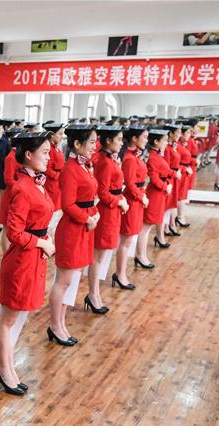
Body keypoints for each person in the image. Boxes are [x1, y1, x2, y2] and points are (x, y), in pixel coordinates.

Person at [0, 131, 55, 394]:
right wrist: (42, 243)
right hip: (21, 260)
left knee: (17, 317)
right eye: (44, 152)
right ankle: (5, 370)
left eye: (49, 152)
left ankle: (8, 367)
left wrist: (45, 237)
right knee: (8, 319)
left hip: (34, 257)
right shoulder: (21, 187)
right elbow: (13, 232)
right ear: (28, 155)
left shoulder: (37, 184)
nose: (48, 157)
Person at [48, 124, 98, 346]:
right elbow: (67, 204)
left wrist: (93, 215)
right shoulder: (70, 169)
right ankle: (55, 325)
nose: (94, 147)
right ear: (77, 144)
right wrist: (88, 219)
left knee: (73, 280)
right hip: (72, 229)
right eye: (91, 142)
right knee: (63, 280)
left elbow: (88, 197)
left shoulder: (86, 166)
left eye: (95, 142)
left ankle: (62, 322)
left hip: (84, 226)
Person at [88, 125, 128, 313]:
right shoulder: (104, 162)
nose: (121, 143)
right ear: (108, 141)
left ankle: (95, 293)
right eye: (119, 139)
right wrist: (119, 201)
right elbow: (102, 193)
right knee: (98, 257)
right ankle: (93, 294)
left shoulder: (110, 160)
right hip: (106, 212)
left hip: (112, 211)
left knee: (102, 256)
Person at [114, 123, 149, 290]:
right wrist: (141, 196)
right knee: (126, 240)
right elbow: (129, 183)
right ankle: (120, 274)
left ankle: (121, 272)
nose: (146, 140)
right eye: (144, 137)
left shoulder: (135, 156)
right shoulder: (129, 158)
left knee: (130, 239)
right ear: (134, 139)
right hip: (132, 201)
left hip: (137, 200)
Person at [141, 129, 172, 264]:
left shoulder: (158, 156)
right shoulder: (153, 157)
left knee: (149, 226)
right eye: (164, 140)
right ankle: (140, 256)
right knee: (146, 227)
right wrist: (166, 186)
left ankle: (141, 255)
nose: (167, 143)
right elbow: (154, 179)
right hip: (154, 194)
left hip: (160, 194)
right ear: (156, 142)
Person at [163, 124, 183, 238]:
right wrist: (174, 173)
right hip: (170, 177)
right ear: (171, 133)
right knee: (168, 203)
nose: (179, 135)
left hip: (175, 176)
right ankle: (166, 227)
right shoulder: (167, 149)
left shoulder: (173, 147)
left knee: (172, 203)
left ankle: (171, 224)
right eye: (178, 132)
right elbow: (166, 166)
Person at [43, 122, 66, 217]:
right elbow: (47, 169)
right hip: (51, 183)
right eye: (60, 134)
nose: (62, 136)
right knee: (52, 210)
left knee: (57, 210)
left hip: (57, 183)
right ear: (52, 135)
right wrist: (58, 176)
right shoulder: (50, 150)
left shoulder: (56, 148)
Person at [177, 123, 198, 228]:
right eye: (188, 132)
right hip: (183, 171)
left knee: (184, 195)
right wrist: (187, 167)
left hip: (187, 170)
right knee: (181, 196)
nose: (190, 134)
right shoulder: (179, 146)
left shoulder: (187, 143)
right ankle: (180, 217)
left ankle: (180, 216)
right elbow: (175, 163)